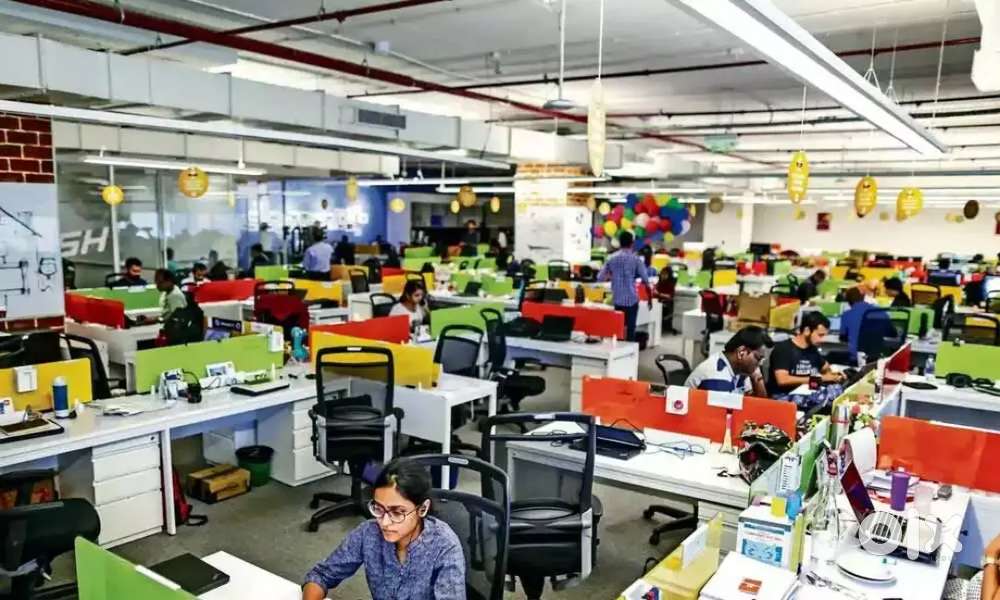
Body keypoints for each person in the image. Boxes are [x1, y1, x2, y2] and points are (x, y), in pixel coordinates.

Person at [302, 459, 465, 600]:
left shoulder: (444, 545)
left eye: (397, 512)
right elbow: (321, 575)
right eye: (379, 508)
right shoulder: (369, 532)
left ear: (422, 509)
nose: (384, 522)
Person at [767, 312, 845, 400]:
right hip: (784, 396)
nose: (822, 339)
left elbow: (826, 368)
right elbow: (783, 380)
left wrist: (835, 374)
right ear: (807, 330)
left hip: (808, 392)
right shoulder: (784, 349)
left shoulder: (812, 350)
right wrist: (820, 379)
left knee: (837, 390)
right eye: (820, 335)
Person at [685, 326, 771, 397]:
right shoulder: (717, 376)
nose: (760, 363)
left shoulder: (740, 370)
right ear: (741, 353)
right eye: (758, 358)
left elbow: (759, 405)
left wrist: (757, 378)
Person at [598, 231, 652, 342]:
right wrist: (650, 298)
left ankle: (619, 350)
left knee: (618, 330)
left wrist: (611, 275)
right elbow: (646, 280)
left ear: (619, 243)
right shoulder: (636, 259)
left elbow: (600, 277)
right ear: (632, 243)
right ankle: (630, 351)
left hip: (617, 300)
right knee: (630, 330)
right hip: (632, 300)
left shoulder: (611, 258)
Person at [839, 286, 894, 363]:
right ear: (863, 298)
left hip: (857, 358)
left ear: (848, 302)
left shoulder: (847, 315)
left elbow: (843, 337)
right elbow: (892, 334)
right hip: (879, 358)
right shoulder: (880, 311)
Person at [654, 265, 678, 334]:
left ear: (669, 275)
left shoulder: (670, 284)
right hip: (657, 302)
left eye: (665, 274)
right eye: (662, 274)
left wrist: (659, 294)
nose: (663, 275)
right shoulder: (659, 283)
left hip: (665, 304)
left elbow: (670, 296)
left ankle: (658, 328)